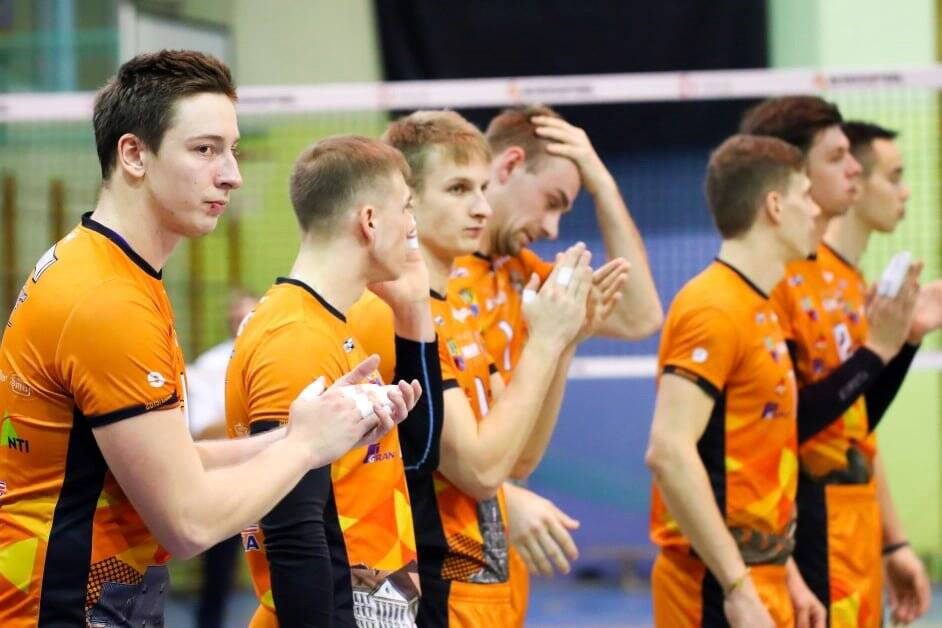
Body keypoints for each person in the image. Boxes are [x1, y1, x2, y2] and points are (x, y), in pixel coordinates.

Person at [0, 50, 412, 627]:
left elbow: (177, 463)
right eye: (204, 150)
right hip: (62, 610)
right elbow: (188, 524)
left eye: (232, 150)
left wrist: (311, 430)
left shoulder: (113, 271)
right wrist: (302, 448)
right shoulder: (107, 300)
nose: (231, 174)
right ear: (133, 155)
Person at [358, 109, 595, 626]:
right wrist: (544, 341)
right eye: (459, 189)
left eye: (484, 189)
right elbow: (482, 471)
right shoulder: (393, 316)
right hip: (427, 581)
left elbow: (518, 460)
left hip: (483, 581)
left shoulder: (456, 314)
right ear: (407, 201)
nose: (483, 208)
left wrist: (563, 342)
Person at [448, 105, 651, 617]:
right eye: (552, 202)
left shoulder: (520, 274)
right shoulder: (426, 277)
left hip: (497, 541)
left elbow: (640, 316)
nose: (553, 227)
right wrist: (502, 498)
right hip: (439, 537)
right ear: (510, 165)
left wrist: (603, 185)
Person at [226, 136, 432, 627]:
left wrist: (415, 307)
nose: (412, 225)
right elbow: (292, 532)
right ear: (369, 221)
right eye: (406, 207)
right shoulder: (296, 337)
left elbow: (417, 461)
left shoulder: (329, 324)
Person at [741, 98, 925, 626]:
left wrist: (905, 340)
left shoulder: (843, 278)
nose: (854, 172)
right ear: (793, 174)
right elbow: (782, 426)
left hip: (851, 525)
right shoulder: (770, 280)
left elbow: (854, 420)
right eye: (838, 157)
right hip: (801, 523)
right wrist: (878, 351)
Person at [645, 134, 825, 627]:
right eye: (807, 196)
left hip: (759, 575)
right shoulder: (712, 308)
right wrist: (738, 588)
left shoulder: (760, 305)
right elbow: (668, 451)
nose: (816, 211)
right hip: (713, 584)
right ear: (774, 206)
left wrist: (786, 573)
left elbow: (750, 465)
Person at [821, 121, 937, 625]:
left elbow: (857, 428)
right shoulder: (806, 282)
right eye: (895, 176)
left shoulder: (854, 282)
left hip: (857, 535)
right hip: (812, 538)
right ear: (853, 179)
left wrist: (894, 542)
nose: (905, 191)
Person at [186, 290, 258, 628]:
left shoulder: (275, 356)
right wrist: (251, 422)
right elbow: (201, 429)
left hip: (275, 470)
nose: (240, 322)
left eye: (248, 315)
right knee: (218, 568)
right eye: (235, 316)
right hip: (227, 476)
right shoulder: (210, 365)